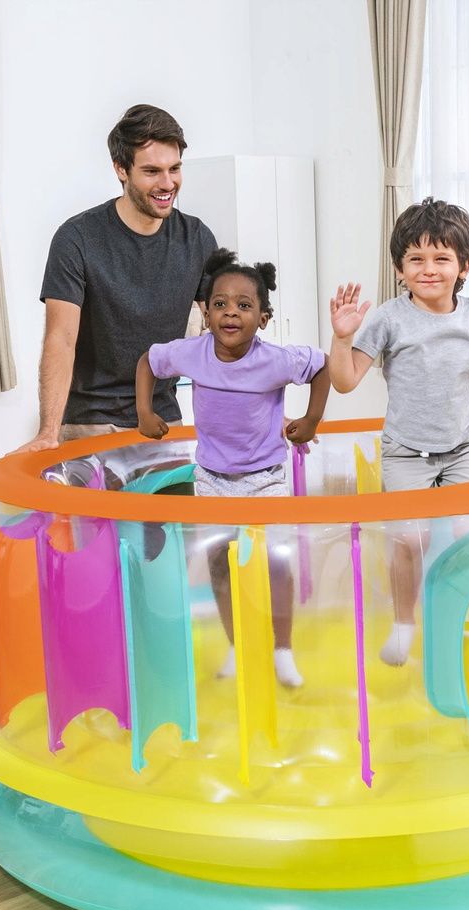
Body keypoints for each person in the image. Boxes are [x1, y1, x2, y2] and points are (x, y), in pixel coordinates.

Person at [326, 197, 469, 665]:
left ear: (464, 266)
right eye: (416, 259)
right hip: (405, 450)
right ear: (399, 268)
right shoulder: (389, 318)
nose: (429, 269)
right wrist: (341, 338)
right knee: (407, 541)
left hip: (463, 448)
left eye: (441, 258)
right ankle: (403, 624)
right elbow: (345, 381)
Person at [137, 250, 331, 688]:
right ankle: (235, 646)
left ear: (263, 318)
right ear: (205, 313)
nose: (230, 313)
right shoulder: (191, 353)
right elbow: (148, 361)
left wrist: (311, 420)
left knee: (275, 563)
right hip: (211, 478)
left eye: (244, 305)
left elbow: (321, 366)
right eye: (220, 304)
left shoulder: (276, 360)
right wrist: (144, 412)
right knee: (221, 566)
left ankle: (282, 649)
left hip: (265, 478)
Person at [15, 105, 217, 454]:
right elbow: (61, 339)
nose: (167, 183)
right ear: (121, 169)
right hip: (90, 421)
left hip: (162, 418)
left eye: (174, 168)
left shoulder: (196, 238)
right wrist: (48, 432)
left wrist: (257, 413)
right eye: (151, 171)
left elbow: (225, 336)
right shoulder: (77, 238)